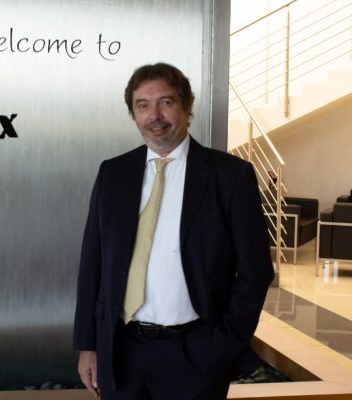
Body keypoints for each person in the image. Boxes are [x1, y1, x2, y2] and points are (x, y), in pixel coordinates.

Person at [73, 63, 275, 400]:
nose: (154, 116)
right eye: (143, 105)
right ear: (134, 114)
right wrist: (88, 345)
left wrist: (222, 346)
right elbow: (92, 265)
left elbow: (255, 272)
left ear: (186, 106)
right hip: (122, 350)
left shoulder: (230, 176)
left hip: (196, 355)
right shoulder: (113, 173)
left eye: (165, 102)